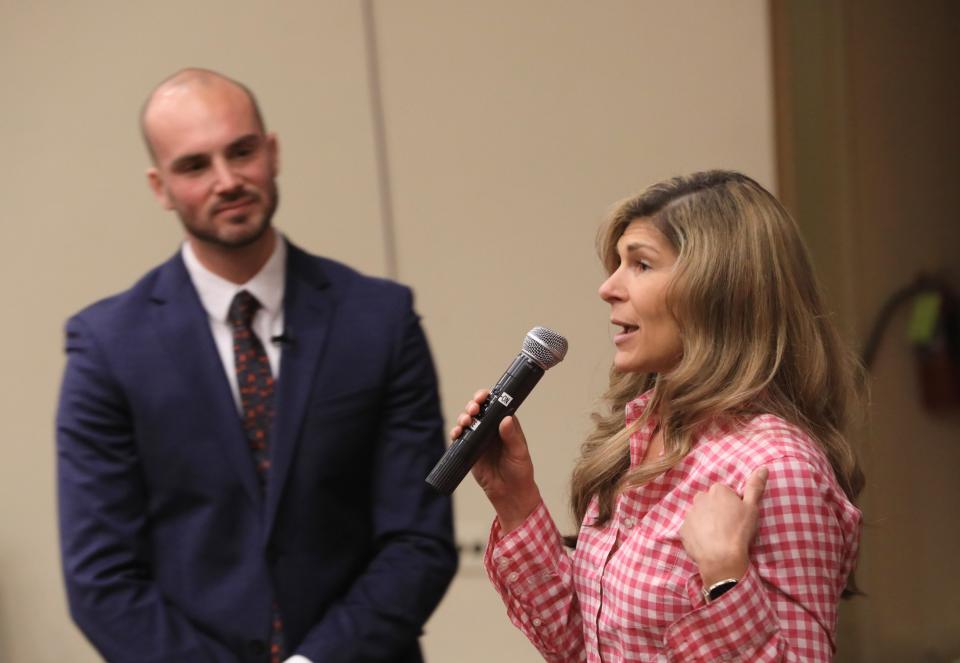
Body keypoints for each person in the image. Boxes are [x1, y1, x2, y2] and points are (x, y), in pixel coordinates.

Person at [56, 68, 456, 663]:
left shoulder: (380, 319)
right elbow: (101, 579)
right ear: (160, 186)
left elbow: (418, 538)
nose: (227, 180)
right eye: (194, 166)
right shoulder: (108, 346)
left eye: (241, 152)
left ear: (272, 152)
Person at [452, 171, 864, 662]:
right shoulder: (642, 435)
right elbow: (586, 648)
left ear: (719, 291)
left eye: (641, 265)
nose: (608, 288)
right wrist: (515, 500)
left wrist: (724, 577)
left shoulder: (777, 467)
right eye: (617, 265)